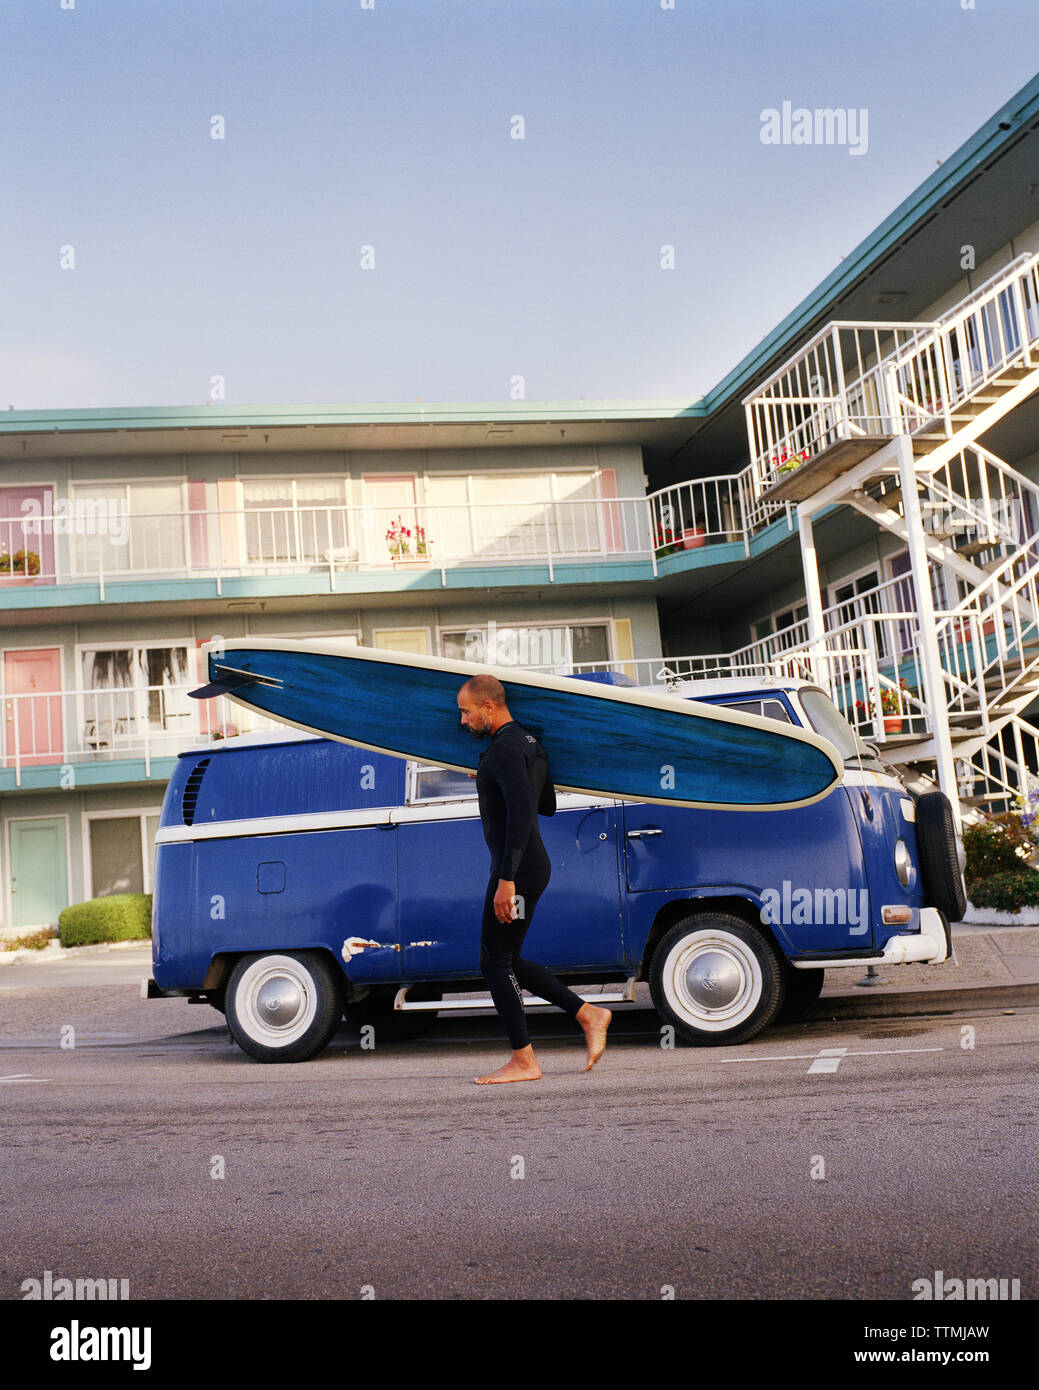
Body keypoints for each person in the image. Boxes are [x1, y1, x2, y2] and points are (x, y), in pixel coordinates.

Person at [456, 673, 611, 1084]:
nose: (462, 722)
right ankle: (589, 1013)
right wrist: (490, 780)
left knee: (493, 962)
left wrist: (506, 880)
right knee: (509, 960)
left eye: (466, 712)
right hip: (530, 865)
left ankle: (524, 1060)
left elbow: (525, 813)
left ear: (488, 707)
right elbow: (547, 803)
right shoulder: (527, 743)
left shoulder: (504, 750)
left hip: (517, 870)